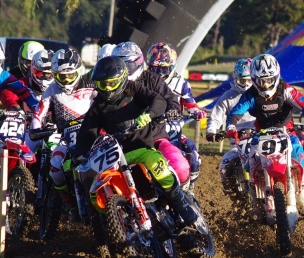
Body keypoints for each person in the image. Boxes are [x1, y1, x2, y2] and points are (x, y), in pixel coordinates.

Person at [72, 56, 207, 231]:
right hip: (118, 156)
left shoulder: (133, 89)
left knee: (159, 167)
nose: (107, 88)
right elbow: (87, 133)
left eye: (111, 83)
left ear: (122, 79)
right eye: (102, 84)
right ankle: (118, 224)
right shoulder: (98, 106)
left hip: (142, 147)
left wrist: (149, 115)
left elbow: (158, 100)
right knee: (99, 186)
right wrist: (79, 155)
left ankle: (183, 207)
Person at [228, 53, 304, 216]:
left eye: (269, 80)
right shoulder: (251, 95)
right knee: (251, 160)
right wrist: (231, 127)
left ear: (276, 76)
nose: (265, 84)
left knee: (298, 153)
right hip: (260, 134)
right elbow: (235, 113)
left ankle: (303, 198)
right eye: (261, 81)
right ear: (254, 79)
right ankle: (255, 202)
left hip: (287, 132)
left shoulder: (286, 90)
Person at [112, 41, 191, 187]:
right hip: (122, 143)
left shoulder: (152, 79)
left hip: (155, 137)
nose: (122, 70)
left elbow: (170, 98)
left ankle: (183, 197)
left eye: (126, 66)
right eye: (118, 66)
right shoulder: (108, 86)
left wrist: (173, 109)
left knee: (180, 167)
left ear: (137, 63)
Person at [31, 48, 96, 218]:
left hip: (92, 134)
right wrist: (36, 130)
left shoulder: (92, 85)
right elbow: (38, 114)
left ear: (78, 71)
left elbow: (106, 105)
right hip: (65, 138)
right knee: (55, 167)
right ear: (55, 75)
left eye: (70, 75)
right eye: (62, 76)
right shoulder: (51, 90)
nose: (67, 80)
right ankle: (69, 203)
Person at [146, 41, 206, 187]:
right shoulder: (144, 82)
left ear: (172, 67)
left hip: (174, 130)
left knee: (192, 153)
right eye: (155, 69)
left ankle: (189, 188)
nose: (159, 74)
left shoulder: (181, 83)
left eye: (163, 69)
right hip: (150, 130)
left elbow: (190, 103)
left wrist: (197, 112)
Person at [205, 58, 257, 194]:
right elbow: (216, 116)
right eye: (242, 81)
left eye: (249, 80)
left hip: (259, 140)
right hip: (237, 143)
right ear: (235, 79)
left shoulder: (259, 94)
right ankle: (235, 195)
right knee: (225, 167)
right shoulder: (228, 96)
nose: (246, 84)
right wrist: (211, 131)